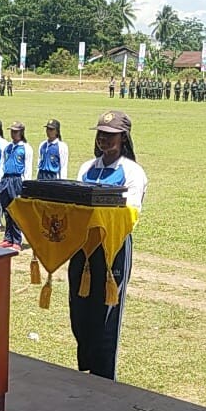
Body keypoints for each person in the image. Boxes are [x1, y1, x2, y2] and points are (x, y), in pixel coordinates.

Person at [69, 110, 147, 379]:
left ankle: (104, 378)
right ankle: (86, 368)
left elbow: (130, 214)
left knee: (106, 317)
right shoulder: (86, 167)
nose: (104, 139)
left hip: (112, 250)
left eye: (111, 135)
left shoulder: (132, 172)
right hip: (82, 249)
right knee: (80, 313)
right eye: (101, 134)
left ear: (123, 138)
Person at [0, 122, 31, 252]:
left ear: (21, 132)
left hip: (17, 179)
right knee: (7, 209)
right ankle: (8, 237)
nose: (13, 134)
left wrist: (25, 186)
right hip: (6, 179)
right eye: (12, 131)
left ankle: (17, 239)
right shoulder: (8, 147)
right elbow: (3, 163)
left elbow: (27, 168)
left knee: (16, 210)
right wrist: (1, 180)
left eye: (16, 131)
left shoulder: (25, 148)